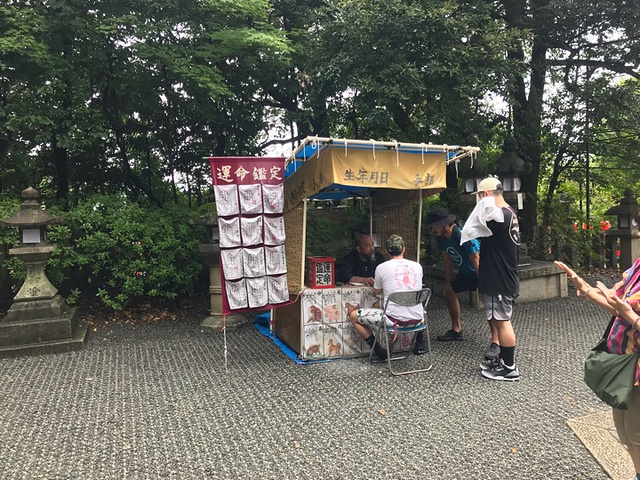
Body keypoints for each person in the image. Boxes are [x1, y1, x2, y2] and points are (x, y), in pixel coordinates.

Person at [555, 258, 640, 480]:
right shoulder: (638, 266)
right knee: (626, 434)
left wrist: (630, 315)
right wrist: (585, 288)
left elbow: (625, 311)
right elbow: (617, 305)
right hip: (624, 365)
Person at [464, 176, 521, 381]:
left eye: (480, 196)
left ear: (486, 195)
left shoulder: (500, 216)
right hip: (503, 275)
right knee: (498, 319)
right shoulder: (509, 213)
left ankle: (509, 367)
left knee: (502, 321)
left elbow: (473, 226)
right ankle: (503, 360)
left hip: (500, 277)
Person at [428, 208, 499, 356]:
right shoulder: (441, 238)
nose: (433, 228)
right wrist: (448, 281)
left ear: (445, 224)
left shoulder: (463, 235)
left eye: (435, 225)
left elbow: (476, 259)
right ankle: (456, 330)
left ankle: (496, 341)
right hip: (466, 273)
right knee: (449, 292)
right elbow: (446, 259)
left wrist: (483, 284)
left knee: (489, 303)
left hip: (482, 271)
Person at [347, 234, 424, 360]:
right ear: (404, 249)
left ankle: (378, 350)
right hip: (418, 318)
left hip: (392, 319)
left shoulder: (381, 268)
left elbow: (377, 292)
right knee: (422, 307)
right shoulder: (418, 266)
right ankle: (420, 344)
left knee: (354, 316)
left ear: (387, 251)